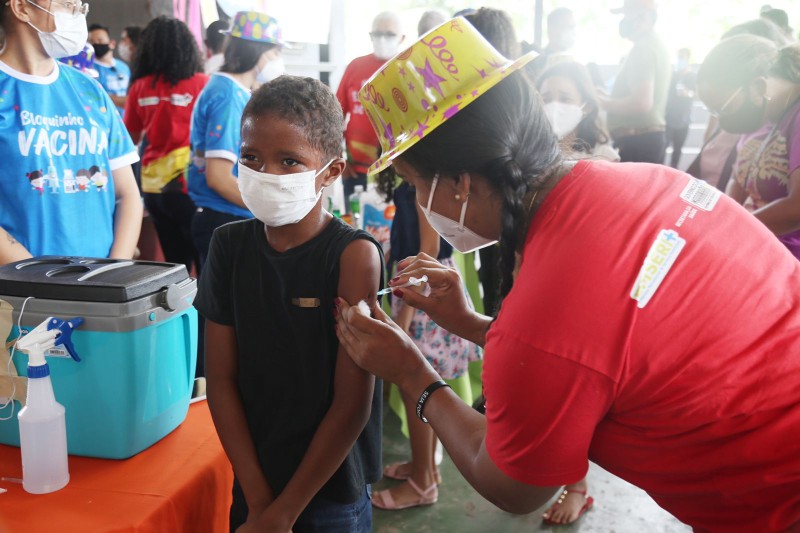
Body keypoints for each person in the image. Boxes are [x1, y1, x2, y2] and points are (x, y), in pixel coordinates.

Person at [334, 18, 800, 532]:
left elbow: (516, 485)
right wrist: (471, 323)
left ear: (460, 184)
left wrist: (412, 372)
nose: (421, 203)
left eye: (417, 185)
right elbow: (598, 354)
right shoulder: (645, 181)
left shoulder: (549, 302)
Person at [197, 75, 384, 533]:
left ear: (332, 172)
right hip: (254, 481)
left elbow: (352, 404)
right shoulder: (227, 246)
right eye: (252, 158)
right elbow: (220, 380)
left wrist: (284, 511)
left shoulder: (353, 256)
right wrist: (261, 501)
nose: (266, 175)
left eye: (289, 161)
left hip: (328, 492)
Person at [372, 165, 481, 511]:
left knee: (416, 386)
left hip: (421, 291)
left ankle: (422, 483)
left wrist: (405, 312)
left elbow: (429, 248)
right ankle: (425, 469)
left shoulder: (425, 181)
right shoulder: (417, 180)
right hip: (417, 285)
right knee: (417, 387)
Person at [0, 0, 141, 265]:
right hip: (21, 294)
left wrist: (113, 272)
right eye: (67, 4)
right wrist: (42, 283)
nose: (78, 13)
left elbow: (128, 195)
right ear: (21, 8)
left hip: (99, 286)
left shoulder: (89, 89)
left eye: (79, 6)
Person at [188, 11, 284, 272]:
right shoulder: (228, 97)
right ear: (258, 51)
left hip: (225, 215)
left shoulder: (234, 91)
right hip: (223, 218)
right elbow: (218, 177)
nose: (278, 60)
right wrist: (272, 210)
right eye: (275, 53)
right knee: (229, 308)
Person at [698, 35, 800, 260]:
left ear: (758, 86)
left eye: (723, 108)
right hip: (765, 251)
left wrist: (726, 229)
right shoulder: (771, 116)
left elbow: (797, 208)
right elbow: (742, 177)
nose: (722, 120)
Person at [124, 17, 208, 275]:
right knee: (204, 263)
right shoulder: (202, 83)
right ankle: (203, 316)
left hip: (154, 187)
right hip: (189, 185)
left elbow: (130, 137)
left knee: (176, 265)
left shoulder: (138, 87)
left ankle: (180, 313)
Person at [336, 11, 405, 207]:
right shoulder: (355, 66)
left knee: (391, 229)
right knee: (354, 225)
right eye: (377, 34)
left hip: (398, 173)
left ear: (402, 38)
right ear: (370, 36)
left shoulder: (406, 68)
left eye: (390, 34)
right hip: (355, 169)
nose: (383, 39)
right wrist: (337, 156)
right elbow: (336, 113)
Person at [600, 0, 671, 163]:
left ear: (644, 16)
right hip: (646, 140)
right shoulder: (655, 44)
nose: (624, 20)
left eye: (628, 14)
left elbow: (641, 103)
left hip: (636, 141)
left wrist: (603, 102)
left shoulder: (643, 48)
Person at [538, 61, 620, 163]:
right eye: (546, 99)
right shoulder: (532, 154)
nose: (554, 107)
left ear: (587, 107)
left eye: (565, 99)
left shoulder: (602, 156)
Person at [88, 23, 130, 114]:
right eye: (91, 41)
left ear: (112, 43)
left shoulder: (123, 67)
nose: (96, 44)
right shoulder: (88, 70)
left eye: (100, 40)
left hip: (123, 121)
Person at [664, 48, 696, 169]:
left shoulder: (692, 77)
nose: (680, 60)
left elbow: (698, 94)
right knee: (664, 146)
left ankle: (674, 170)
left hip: (684, 119)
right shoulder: (671, 76)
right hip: (668, 118)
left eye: (682, 57)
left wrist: (689, 93)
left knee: (677, 149)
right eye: (678, 57)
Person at [526, 7, 575, 79]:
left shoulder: (574, 63)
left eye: (574, 27)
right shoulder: (537, 61)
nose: (573, 32)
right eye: (569, 27)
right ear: (551, 29)